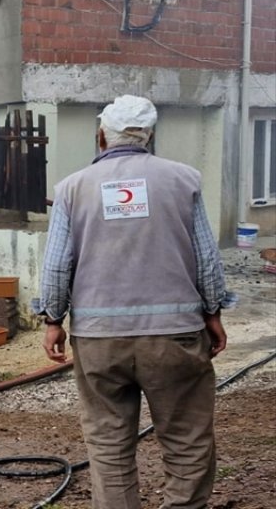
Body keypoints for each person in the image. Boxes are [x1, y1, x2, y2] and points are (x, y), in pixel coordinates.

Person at [35, 94, 230, 509]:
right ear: (149, 135)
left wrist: (53, 318)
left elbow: (56, 266)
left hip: (99, 340)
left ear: (101, 135)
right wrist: (213, 311)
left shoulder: (72, 188)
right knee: (188, 441)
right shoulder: (184, 179)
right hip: (175, 336)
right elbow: (207, 259)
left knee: (108, 445)